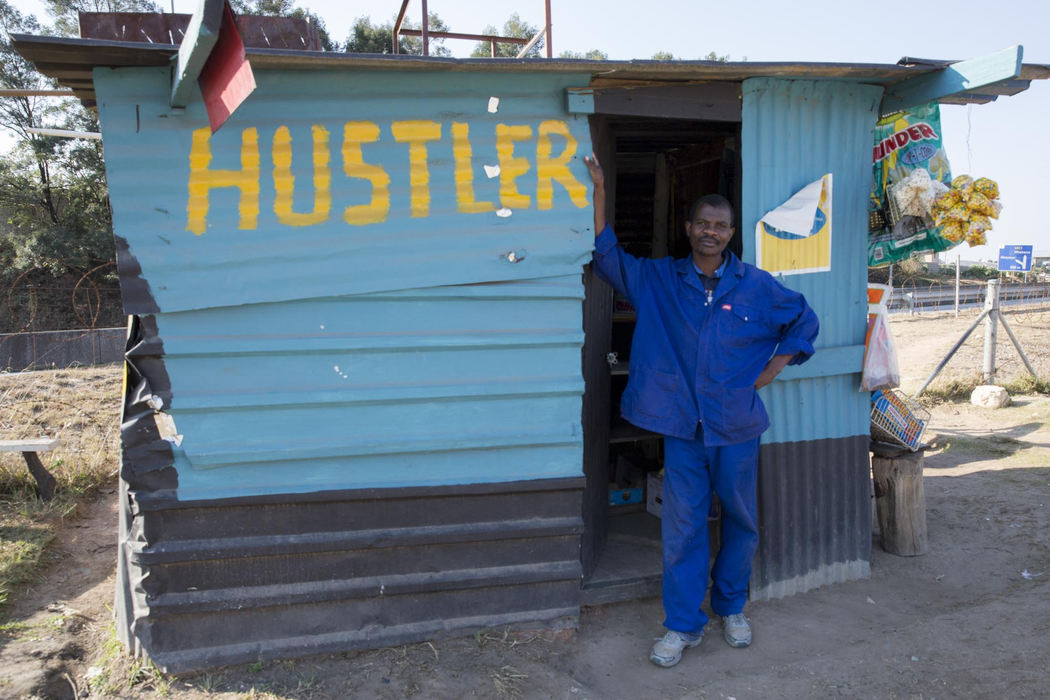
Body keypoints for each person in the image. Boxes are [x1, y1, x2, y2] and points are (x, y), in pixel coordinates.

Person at [584, 153, 819, 668]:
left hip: (736, 426)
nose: (711, 232)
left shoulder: (757, 285)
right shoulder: (660, 281)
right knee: (683, 527)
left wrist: (773, 369)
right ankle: (683, 625)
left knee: (740, 519)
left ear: (731, 233)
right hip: (682, 429)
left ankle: (731, 607)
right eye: (703, 224)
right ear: (689, 228)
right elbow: (606, 255)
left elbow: (804, 320)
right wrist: (600, 187)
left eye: (720, 226)